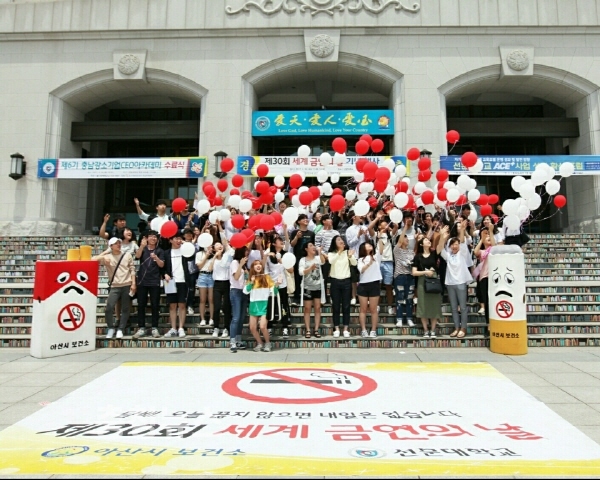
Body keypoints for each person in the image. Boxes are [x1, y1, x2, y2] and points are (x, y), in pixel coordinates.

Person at [92, 237, 136, 339]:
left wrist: (133, 283)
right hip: (114, 286)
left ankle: (121, 329)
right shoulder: (107, 257)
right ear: (111, 246)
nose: (118, 245)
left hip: (126, 284)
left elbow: (132, 269)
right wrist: (105, 252)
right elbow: (93, 259)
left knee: (125, 308)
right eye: (116, 243)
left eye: (119, 243)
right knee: (109, 308)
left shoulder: (127, 255)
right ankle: (111, 328)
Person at [437, 222, 473, 339]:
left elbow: (462, 241)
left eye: (456, 244)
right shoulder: (448, 255)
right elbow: (439, 249)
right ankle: (457, 327)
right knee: (453, 308)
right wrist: (442, 236)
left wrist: (462, 230)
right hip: (450, 283)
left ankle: (463, 328)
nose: (454, 246)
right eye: (452, 244)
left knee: (462, 307)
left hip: (461, 283)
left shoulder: (462, 253)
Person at [133, 230, 165, 339]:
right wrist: (142, 246)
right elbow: (137, 256)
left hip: (154, 281)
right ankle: (141, 327)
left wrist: (156, 258)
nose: (153, 238)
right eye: (151, 236)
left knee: (155, 305)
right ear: (146, 238)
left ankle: (155, 327)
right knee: (141, 305)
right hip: (142, 281)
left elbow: (162, 265)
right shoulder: (143, 249)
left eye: (155, 237)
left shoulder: (160, 250)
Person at [412, 236, 442, 338]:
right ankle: (425, 330)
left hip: (434, 281)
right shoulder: (417, 257)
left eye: (429, 240)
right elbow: (414, 272)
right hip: (422, 281)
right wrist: (425, 272)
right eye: (426, 240)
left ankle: (433, 330)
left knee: (434, 305)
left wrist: (442, 235)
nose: (428, 241)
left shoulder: (434, 254)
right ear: (421, 244)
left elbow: (441, 245)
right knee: (423, 305)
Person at [369, 211, 398, 315]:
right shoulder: (376, 235)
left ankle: (390, 306)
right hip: (378, 262)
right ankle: (377, 305)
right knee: (377, 285)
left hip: (389, 262)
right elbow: (369, 228)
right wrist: (377, 218)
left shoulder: (390, 235)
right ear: (379, 226)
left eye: (386, 223)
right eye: (383, 223)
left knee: (388, 285)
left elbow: (396, 227)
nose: (385, 225)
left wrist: (393, 218)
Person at [327, 235, 356, 338]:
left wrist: (350, 256)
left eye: (342, 239)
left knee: (346, 306)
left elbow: (354, 263)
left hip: (346, 281)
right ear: (334, 243)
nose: (341, 241)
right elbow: (331, 261)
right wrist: (339, 251)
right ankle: (336, 328)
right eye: (338, 240)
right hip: (335, 281)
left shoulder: (347, 252)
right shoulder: (331, 253)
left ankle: (346, 329)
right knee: (336, 306)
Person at [265, 235, 293, 338]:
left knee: (284, 305)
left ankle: (285, 327)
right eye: (279, 240)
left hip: (282, 284)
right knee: (270, 305)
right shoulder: (269, 255)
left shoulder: (285, 255)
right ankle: (269, 327)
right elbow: (265, 271)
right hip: (271, 285)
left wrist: (282, 261)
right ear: (273, 244)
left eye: (282, 240)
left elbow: (291, 270)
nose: (281, 242)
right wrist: (266, 256)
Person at [244, 260, 275, 352]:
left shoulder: (267, 277)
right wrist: (251, 283)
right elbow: (245, 291)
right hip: (254, 305)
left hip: (265, 305)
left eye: (260, 264)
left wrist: (277, 284)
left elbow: (274, 291)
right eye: (256, 264)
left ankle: (268, 343)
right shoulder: (251, 279)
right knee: (252, 328)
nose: (258, 266)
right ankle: (260, 343)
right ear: (252, 267)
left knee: (262, 326)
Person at [163, 232, 190, 338]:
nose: (178, 241)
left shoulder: (185, 251)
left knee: (182, 305)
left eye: (180, 239)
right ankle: (173, 328)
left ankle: (181, 328)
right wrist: (165, 274)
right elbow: (163, 267)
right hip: (170, 281)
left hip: (183, 281)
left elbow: (192, 255)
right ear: (170, 240)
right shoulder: (166, 253)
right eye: (176, 239)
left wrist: (185, 244)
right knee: (172, 305)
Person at [298, 242, 327, 338]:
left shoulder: (317, 258)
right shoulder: (303, 260)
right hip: (308, 287)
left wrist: (320, 252)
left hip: (318, 287)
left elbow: (323, 261)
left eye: (313, 246)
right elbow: (301, 272)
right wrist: (310, 268)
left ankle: (316, 329)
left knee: (317, 308)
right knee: (307, 308)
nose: (313, 247)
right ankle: (308, 330)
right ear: (306, 249)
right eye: (310, 246)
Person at [356, 240, 383, 338]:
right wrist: (369, 264)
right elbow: (361, 270)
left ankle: (373, 330)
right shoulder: (360, 259)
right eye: (367, 245)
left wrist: (380, 238)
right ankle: (363, 330)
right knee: (363, 309)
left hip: (374, 284)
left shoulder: (376, 257)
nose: (370, 245)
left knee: (373, 309)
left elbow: (381, 249)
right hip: (363, 285)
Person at [345, 211, 371, 305]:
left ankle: (365, 296)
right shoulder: (349, 229)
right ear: (353, 217)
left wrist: (365, 235)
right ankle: (353, 296)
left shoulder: (364, 227)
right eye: (359, 215)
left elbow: (369, 241)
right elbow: (349, 243)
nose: (361, 216)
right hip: (354, 256)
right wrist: (358, 235)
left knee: (364, 277)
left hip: (364, 256)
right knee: (354, 279)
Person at [474, 223, 496, 328]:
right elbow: (475, 252)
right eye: (486, 236)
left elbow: (494, 246)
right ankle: (488, 325)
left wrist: (490, 231)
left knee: (493, 302)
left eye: (489, 236)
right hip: (484, 278)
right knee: (487, 302)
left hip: (494, 278)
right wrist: (481, 240)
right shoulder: (482, 252)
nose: (488, 237)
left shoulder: (494, 250)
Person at [290, 214, 316, 306]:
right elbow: (292, 244)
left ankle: (309, 298)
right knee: (298, 278)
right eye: (303, 219)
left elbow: (313, 247)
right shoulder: (295, 232)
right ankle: (296, 298)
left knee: (309, 278)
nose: (306, 220)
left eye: (306, 218)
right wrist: (297, 237)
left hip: (308, 258)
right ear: (298, 221)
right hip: (297, 258)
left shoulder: (311, 233)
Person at [393, 223, 415, 328]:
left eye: (407, 238)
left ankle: (409, 318)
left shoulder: (411, 252)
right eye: (404, 238)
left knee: (409, 298)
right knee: (400, 298)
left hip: (410, 276)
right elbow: (399, 241)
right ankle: (399, 319)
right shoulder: (397, 250)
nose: (407, 239)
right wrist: (405, 228)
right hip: (400, 276)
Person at [211, 235, 233, 339]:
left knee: (226, 307)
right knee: (216, 307)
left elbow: (225, 242)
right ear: (214, 248)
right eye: (217, 245)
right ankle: (216, 327)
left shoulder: (227, 256)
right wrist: (215, 256)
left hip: (227, 283)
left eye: (220, 245)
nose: (219, 246)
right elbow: (209, 269)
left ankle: (226, 328)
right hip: (217, 284)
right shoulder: (214, 259)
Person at [315, 214, 340, 305]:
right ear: (324, 221)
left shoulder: (336, 233)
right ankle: (324, 298)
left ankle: (334, 297)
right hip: (324, 258)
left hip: (335, 258)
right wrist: (324, 254)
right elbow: (317, 246)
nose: (331, 220)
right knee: (324, 279)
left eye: (331, 219)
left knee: (335, 278)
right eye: (329, 219)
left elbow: (338, 245)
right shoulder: (319, 233)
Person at [229, 246, 249, 353]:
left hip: (244, 291)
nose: (247, 253)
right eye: (246, 251)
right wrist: (240, 265)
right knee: (236, 317)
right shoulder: (235, 263)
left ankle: (238, 339)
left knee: (241, 317)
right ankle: (232, 340)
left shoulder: (245, 265)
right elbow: (236, 277)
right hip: (235, 291)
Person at [195, 242, 215, 328]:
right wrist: (206, 255)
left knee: (211, 299)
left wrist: (213, 255)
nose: (209, 246)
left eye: (210, 245)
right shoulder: (199, 254)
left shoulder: (214, 254)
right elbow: (199, 266)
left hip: (211, 276)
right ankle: (202, 319)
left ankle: (211, 318)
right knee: (202, 299)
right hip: (202, 275)